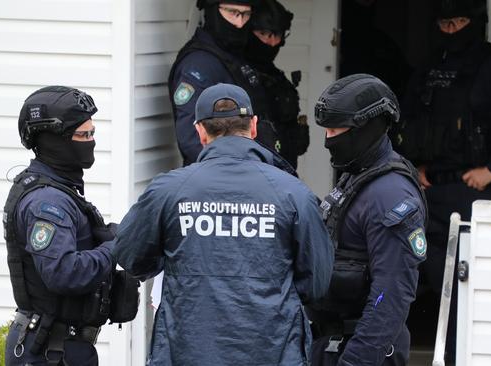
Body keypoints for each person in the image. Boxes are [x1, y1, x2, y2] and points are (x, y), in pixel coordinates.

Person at [113, 83, 334, 365]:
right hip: (273, 352)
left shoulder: (168, 190)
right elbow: (316, 283)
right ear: (253, 127)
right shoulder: (295, 194)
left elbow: (130, 257)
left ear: (201, 132)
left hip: (186, 352)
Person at [392, 0, 491, 356]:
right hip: (429, 188)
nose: (452, 30)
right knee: (425, 279)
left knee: (470, 285)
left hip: (474, 191)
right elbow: (407, 123)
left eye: (460, 22)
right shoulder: (430, 67)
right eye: (445, 23)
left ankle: (462, 356)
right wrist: (413, 169)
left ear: (476, 22)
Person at [308, 74, 428, 366]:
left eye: (337, 129)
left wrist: (356, 361)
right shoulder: (357, 174)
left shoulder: (389, 194)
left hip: (363, 351)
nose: (328, 140)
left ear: (367, 128)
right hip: (333, 343)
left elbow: (391, 294)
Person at [3, 86, 117, 365]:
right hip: (49, 350)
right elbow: (63, 272)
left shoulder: (59, 190)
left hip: (60, 347)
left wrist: (104, 236)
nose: (91, 142)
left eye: (92, 134)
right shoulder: (47, 202)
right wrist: (114, 249)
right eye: (83, 135)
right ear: (54, 139)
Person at [169, 0, 278, 166]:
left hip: (251, 172)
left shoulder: (233, 56)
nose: (240, 23)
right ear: (214, 11)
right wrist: (234, 174)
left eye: (246, 14)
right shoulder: (198, 64)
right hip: (219, 179)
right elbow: (192, 140)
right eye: (233, 13)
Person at [245, 0, 310, 168]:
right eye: (265, 34)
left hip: (283, 171)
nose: (272, 42)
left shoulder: (277, 78)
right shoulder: (237, 73)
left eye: (278, 35)